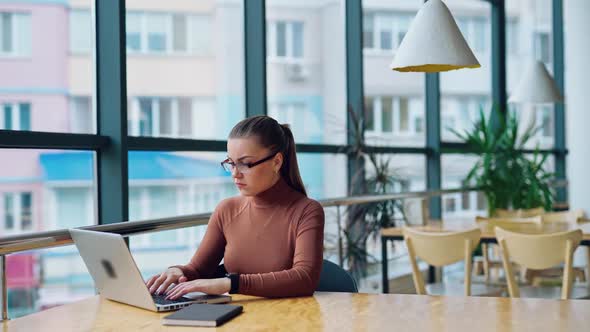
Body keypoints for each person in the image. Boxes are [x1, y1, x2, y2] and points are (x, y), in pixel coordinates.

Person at [146, 115, 325, 299]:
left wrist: (230, 282)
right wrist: (177, 271)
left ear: (277, 162)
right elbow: (198, 269)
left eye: (245, 163)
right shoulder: (226, 209)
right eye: (231, 163)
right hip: (235, 319)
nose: (235, 174)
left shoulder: (307, 211)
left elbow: (304, 279)